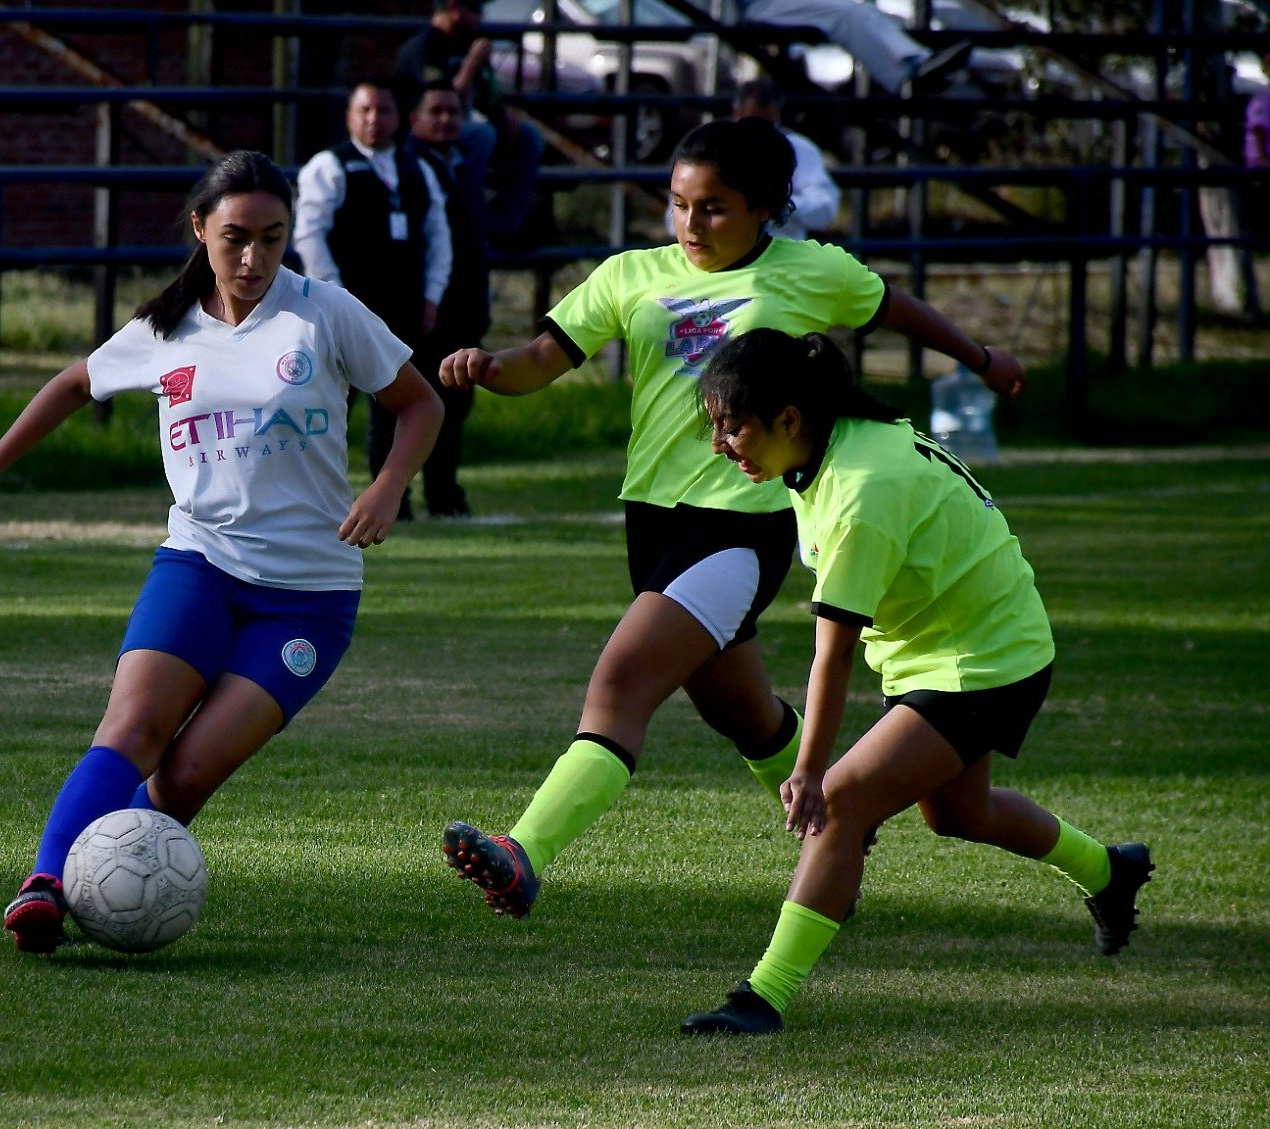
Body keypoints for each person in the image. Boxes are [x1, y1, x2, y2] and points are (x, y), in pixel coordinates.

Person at [438, 117, 1025, 920]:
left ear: (765, 207)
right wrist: (485, 367)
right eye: (679, 204)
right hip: (653, 522)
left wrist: (981, 359)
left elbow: (895, 308)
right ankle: (836, 826)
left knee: (622, 682)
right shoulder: (629, 273)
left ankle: (523, 853)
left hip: (741, 525)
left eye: (713, 208)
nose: (691, 223)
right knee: (742, 714)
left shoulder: (809, 270)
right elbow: (541, 359)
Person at [0, 151, 443, 953]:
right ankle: (47, 883)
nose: (253, 257)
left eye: (272, 238)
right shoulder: (165, 328)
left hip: (309, 598)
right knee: (134, 724)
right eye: (236, 237)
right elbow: (73, 383)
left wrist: (387, 486)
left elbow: (420, 403)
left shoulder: (325, 313)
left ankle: (111, 889)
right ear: (200, 229)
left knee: (190, 771)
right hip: (198, 564)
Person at [681, 328, 1153, 1036]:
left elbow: (831, 657)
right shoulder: (830, 450)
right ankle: (1111, 871)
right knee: (959, 814)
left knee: (842, 802)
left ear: (790, 418)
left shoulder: (860, 490)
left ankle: (761, 999)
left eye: (732, 426)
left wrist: (810, 770)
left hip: (985, 661)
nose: (721, 444)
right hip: (953, 647)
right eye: (715, 426)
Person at [294, 76, 452, 520]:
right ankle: (316, 501)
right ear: (349, 117)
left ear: (399, 118)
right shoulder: (329, 166)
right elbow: (309, 235)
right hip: (343, 307)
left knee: (398, 403)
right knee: (329, 403)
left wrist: (432, 294)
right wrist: (333, 297)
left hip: (401, 308)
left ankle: (393, 500)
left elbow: (438, 236)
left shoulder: (418, 168)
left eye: (383, 110)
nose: (373, 119)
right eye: (364, 110)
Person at [398, 79, 492, 518]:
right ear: (413, 119)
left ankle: (443, 492)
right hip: (426, 306)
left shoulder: (461, 162)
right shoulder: (406, 166)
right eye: (435, 111)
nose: (445, 120)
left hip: (463, 306)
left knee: (454, 402)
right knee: (412, 403)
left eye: (453, 112)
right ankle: (397, 497)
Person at [394, 0, 545, 245]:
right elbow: (445, 101)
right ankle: (470, 219)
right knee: (483, 135)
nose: (480, 18)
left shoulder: (466, 43)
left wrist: (503, 114)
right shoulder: (424, 48)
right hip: (422, 130)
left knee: (529, 136)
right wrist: (472, 62)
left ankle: (504, 225)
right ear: (454, 8)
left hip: (463, 126)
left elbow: (487, 97)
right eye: (474, 10)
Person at [663, 78, 839, 242]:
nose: (760, 134)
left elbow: (825, 209)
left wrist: (782, 204)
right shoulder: (708, 148)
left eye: (767, 125)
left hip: (782, 252)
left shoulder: (799, 149)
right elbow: (674, 222)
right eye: (752, 124)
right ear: (736, 114)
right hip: (717, 252)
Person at [739, 0, 972, 95]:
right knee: (844, 15)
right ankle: (907, 78)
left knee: (863, 9)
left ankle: (917, 62)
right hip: (760, 6)